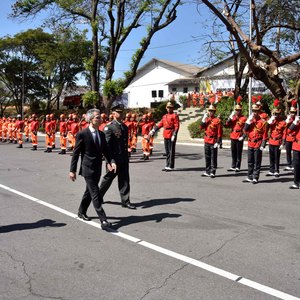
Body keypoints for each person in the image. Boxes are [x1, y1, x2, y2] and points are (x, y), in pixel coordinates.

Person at [69, 108, 117, 230]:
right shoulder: (82, 134)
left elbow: (106, 150)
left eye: (100, 117)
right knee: (95, 192)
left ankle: (81, 211)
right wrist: (72, 170)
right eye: (98, 117)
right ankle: (104, 220)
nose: (100, 119)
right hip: (87, 168)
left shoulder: (101, 134)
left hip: (97, 168)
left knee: (89, 192)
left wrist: (111, 161)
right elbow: (76, 153)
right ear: (91, 119)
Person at [99, 106, 136, 209]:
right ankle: (98, 196)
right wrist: (109, 161)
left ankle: (125, 201)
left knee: (124, 180)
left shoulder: (125, 127)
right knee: (108, 179)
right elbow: (106, 146)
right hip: (113, 159)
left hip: (123, 158)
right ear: (113, 114)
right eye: (118, 112)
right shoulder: (109, 127)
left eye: (122, 112)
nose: (121, 114)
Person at [149, 101, 180, 171]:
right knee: (167, 151)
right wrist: (153, 130)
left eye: (170, 108)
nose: (169, 109)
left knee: (171, 150)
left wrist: (174, 134)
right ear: (166, 108)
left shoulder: (174, 115)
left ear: (172, 108)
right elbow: (160, 124)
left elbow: (176, 126)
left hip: (171, 133)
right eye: (168, 107)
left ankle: (171, 166)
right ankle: (167, 165)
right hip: (166, 133)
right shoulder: (164, 116)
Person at [243, 104, 268, 184]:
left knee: (257, 161)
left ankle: (255, 177)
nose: (254, 112)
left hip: (258, 143)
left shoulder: (263, 122)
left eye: (256, 111)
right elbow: (245, 130)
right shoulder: (250, 120)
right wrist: (248, 122)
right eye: (253, 111)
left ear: (259, 111)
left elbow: (265, 134)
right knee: (250, 161)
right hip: (250, 143)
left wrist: (263, 144)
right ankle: (249, 176)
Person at [200, 104, 223, 178]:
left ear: (214, 112)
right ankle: (207, 171)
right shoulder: (206, 119)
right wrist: (203, 120)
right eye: (210, 111)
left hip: (213, 140)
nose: (210, 112)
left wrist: (218, 142)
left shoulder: (217, 120)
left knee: (213, 157)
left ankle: (213, 171)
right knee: (207, 156)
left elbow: (219, 132)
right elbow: (201, 127)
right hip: (207, 139)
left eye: (212, 111)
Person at [265, 104, 286, 177]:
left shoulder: (283, 122)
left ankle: (276, 170)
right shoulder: (271, 121)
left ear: (279, 114)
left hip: (278, 142)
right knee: (271, 156)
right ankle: (271, 170)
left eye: (277, 114)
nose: (276, 115)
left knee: (277, 157)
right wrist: (268, 122)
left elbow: (284, 133)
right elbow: (266, 129)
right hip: (271, 140)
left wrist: (283, 143)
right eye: (274, 114)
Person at [225, 103, 247, 171]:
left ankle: (238, 166)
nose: (237, 111)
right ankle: (233, 166)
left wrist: (243, 136)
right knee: (233, 152)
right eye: (236, 110)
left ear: (241, 110)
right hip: (233, 136)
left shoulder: (244, 118)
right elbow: (227, 124)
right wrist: (230, 118)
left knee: (238, 152)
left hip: (239, 136)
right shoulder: (233, 117)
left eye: (239, 110)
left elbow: (246, 129)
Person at [287, 114, 300, 189]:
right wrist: (295, 122)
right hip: (297, 146)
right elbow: (289, 130)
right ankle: (296, 182)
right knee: (296, 166)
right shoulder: (297, 124)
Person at [283, 106, 297, 171]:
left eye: (294, 112)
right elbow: (284, 129)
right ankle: (289, 164)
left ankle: (294, 165)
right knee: (288, 152)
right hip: (288, 137)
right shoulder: (287, 119)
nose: (293, 114)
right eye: (291, 112)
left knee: (295, 153)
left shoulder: (297, 119)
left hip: (294, 138)